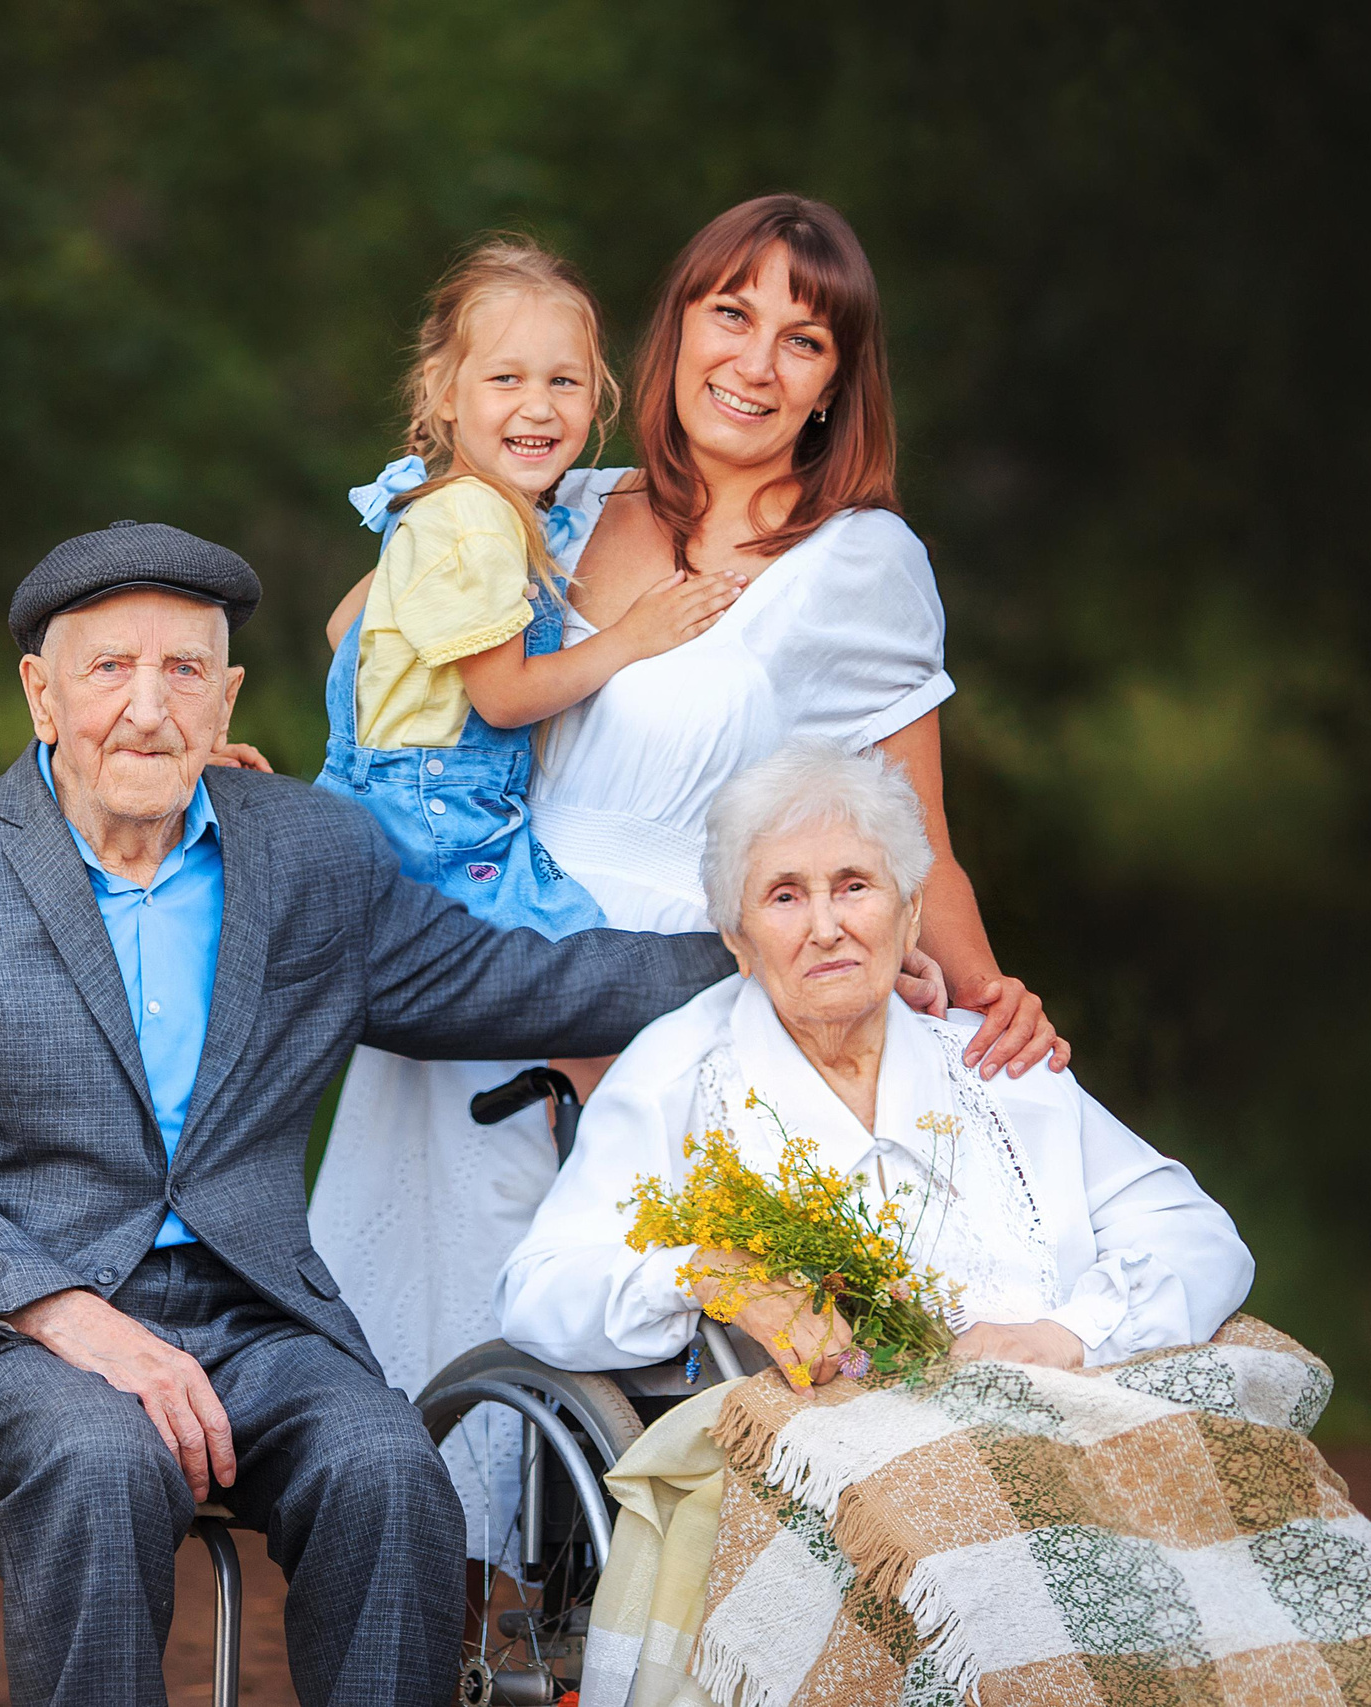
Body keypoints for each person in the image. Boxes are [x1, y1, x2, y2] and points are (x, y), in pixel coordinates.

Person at [0, 520, 738, 1707]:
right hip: (10, 1331)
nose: (147, 708)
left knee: (391, 1471)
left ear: (227, 693)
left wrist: (766, 953)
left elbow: (508, 981)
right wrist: (77, 1322)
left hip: (251, 1315)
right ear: (40, 694)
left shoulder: (309, 850)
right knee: (100, 1459)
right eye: (108, 670)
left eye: (184, 670)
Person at [309, 193, 1063, 1555]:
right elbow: (379, 656)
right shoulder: (558, 499)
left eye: (804, 338)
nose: (756, 362)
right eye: (732, 313)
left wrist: (988, 985)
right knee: (425, 1350)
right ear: (674, 332)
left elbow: (915, 833)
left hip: (651, 997)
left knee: (619, 1363)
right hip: (475, 939)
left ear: (841, 383)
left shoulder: (861, 565)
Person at [496, 736, 1250, 1379]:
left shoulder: (994, 1063)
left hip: (1061, 1424)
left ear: (910, 911)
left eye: (854, 886)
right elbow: (538, 1291)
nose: (825, 926)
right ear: (737, 937)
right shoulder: (677, 1077)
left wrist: (1067, 1336)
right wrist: (710, 1270)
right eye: (785, 896)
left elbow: (1200, 1237)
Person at [320, 238, 743, 930]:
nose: (539, 407)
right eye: (506, 379)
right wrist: (632, 637)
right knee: (578, 957)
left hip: (369, 805)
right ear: (441, 393)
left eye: (564, 382)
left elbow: (346, 629)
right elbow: (505, 698)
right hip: (442, 822)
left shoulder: (439, 504)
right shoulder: (481, 523)